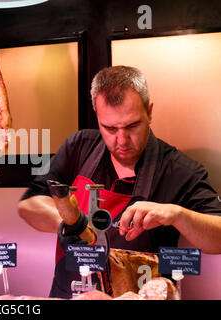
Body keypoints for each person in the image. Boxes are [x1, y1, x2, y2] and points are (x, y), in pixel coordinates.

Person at [18, 65, 221, 299]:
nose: (122, 140)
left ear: (150, 112)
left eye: (132, 126)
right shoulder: (79, 146)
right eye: (110, 128)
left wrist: (177, 214)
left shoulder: (179, 170)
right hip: (72, 293)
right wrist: (71, 224)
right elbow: (29, 205)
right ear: (97, 114)